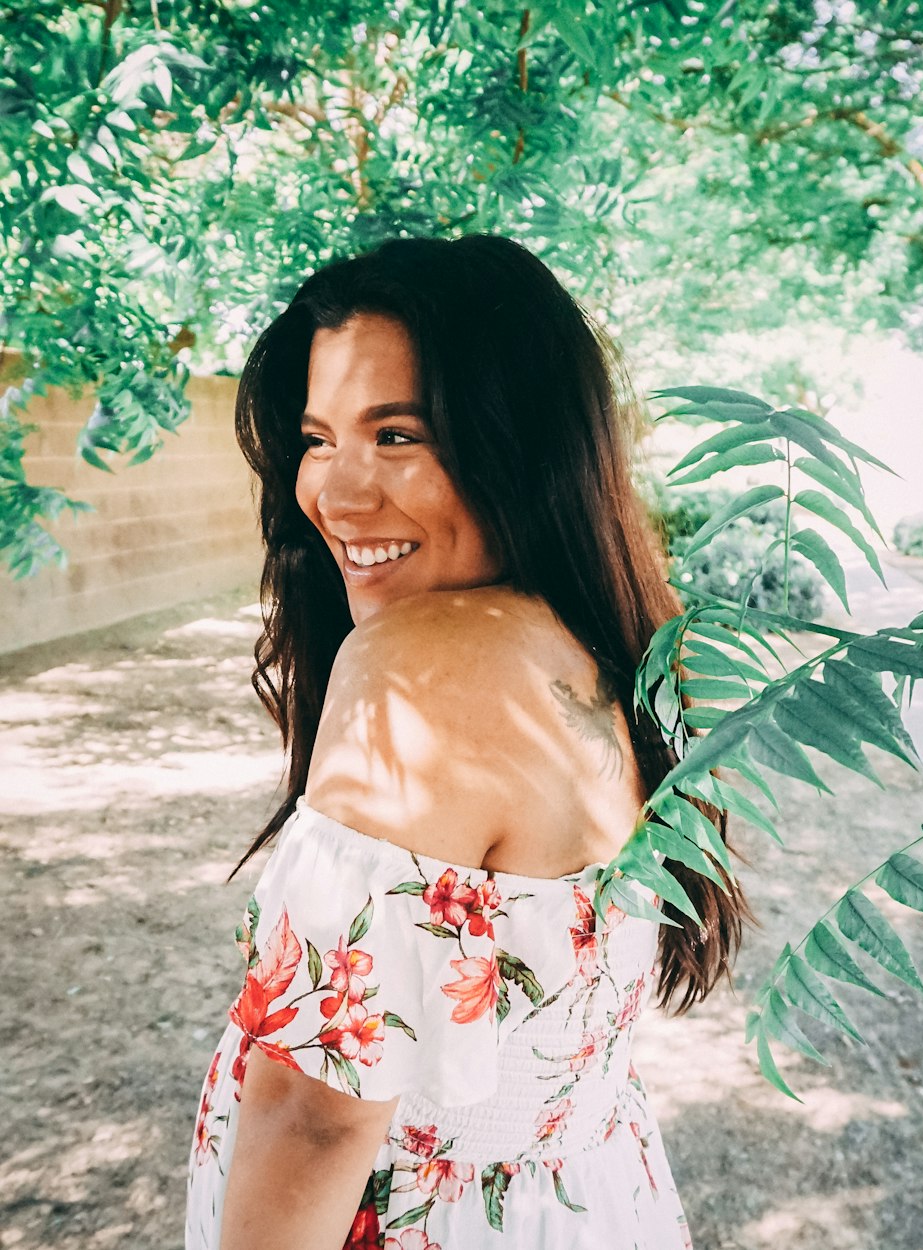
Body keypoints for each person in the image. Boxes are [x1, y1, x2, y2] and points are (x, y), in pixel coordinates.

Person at [185, 234, 748, 1250]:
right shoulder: (602, 646)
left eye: (397, 433)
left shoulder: (423, 666)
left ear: (522, 445)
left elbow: (317, 1113)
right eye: (317, 438)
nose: (337, 493)